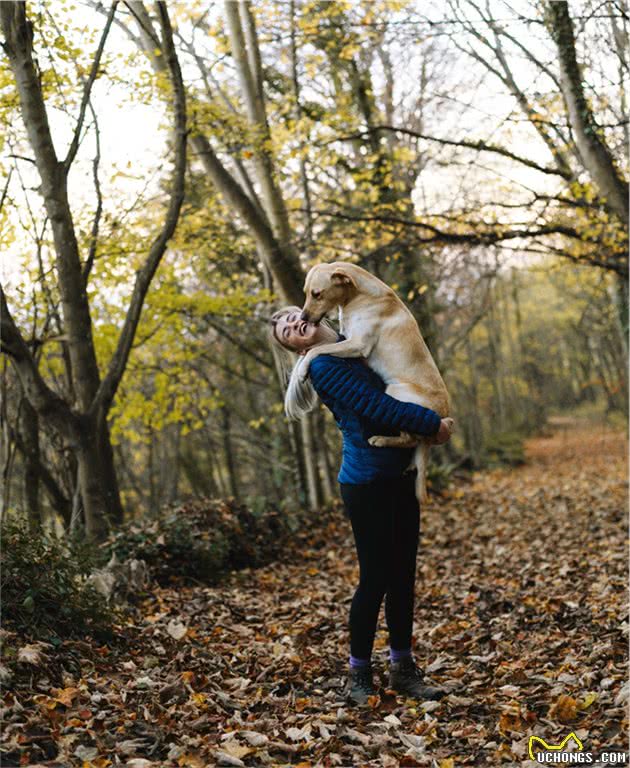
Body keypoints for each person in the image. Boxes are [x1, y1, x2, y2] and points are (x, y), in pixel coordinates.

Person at [270, 306, 452, 705]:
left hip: (401, 474)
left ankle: (403, 669)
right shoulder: (324, 369)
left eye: (291, 315)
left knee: (403, 575)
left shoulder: (357, 344)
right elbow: (377, 409)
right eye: (288, 332)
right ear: (297, 349)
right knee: (376, 578)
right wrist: (431, 425)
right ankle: (358, 675)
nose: (295, 323)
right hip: (367, 484)